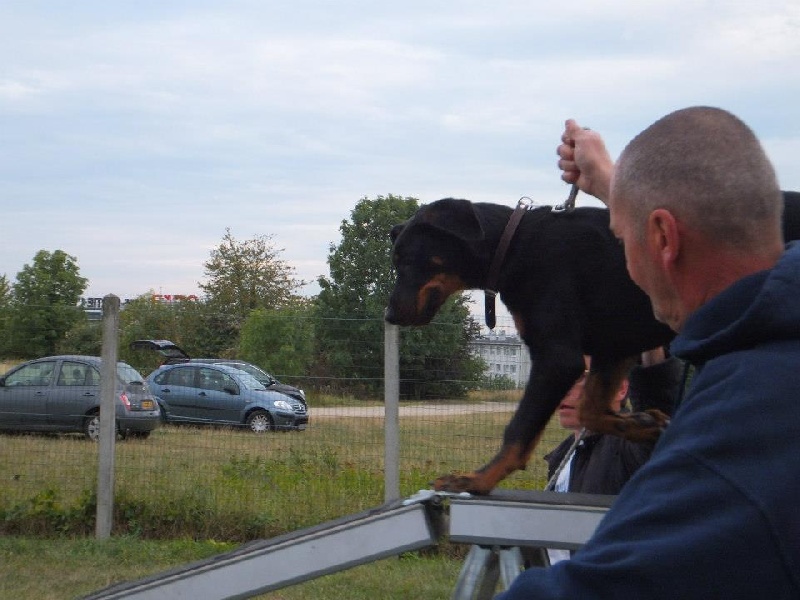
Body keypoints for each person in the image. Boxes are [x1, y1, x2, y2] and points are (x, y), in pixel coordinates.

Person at [497, 107, 800, 599]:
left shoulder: (747, 418)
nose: (627, 266)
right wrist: (618, 187)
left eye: (620, 239)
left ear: (662, 237)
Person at [544, 348, 683, 564]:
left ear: (620, 388)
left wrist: (647, 338)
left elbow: (657, 408)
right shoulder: (561, 456)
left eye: (580, 377)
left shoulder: (629, 445)